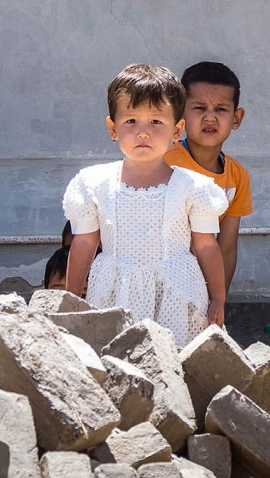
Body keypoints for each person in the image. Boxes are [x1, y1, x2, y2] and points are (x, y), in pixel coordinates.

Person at [63, 63, 229, 347]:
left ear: (177, 130)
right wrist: (71, 300)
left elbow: (206, 245)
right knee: (116, 361)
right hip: (114, 292)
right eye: (131, 121)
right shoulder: (93, 183)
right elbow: (84, 244)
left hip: (176, 293)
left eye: (156, 122)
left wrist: (217, 299)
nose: (143, 132)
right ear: (113, 128)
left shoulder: (193, 187)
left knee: (177, 364)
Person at [165, 61, 251, 294]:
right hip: (160, 281)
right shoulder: (164, 163)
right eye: (200, 108)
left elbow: (227, 248)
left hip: (202, 290)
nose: (210, 118)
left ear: (237, 118)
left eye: (221, 109)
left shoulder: (238, 177)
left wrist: (218, 301)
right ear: (179, 113)